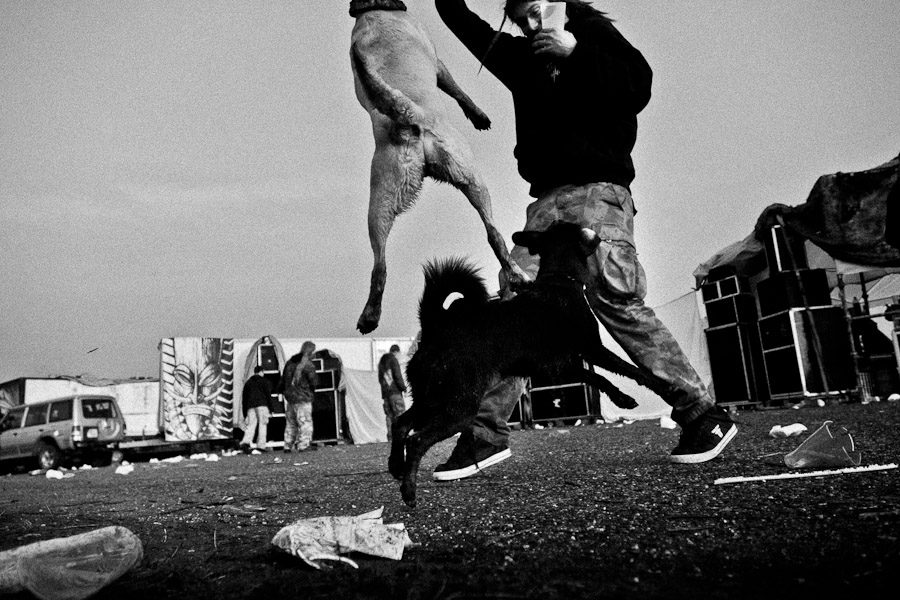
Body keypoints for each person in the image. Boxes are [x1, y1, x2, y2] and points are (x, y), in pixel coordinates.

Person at [431, 0, 737, 481]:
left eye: (537, 9)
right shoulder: (522, 58)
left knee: (615, 299)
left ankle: (701, 412)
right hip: (545, 203)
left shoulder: (594, 37)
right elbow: (462, 22)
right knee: (515, 306)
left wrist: (576, 52)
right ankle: (485, 433)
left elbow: (638, 85)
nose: (531, 22)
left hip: (598, 191)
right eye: (521, 16)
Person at [281, 341, 318, 453]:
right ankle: (303, 445)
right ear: (310, 351)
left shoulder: (290, 363)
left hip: (290, 399)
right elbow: (314, 382)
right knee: (305, 422)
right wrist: (312, 392)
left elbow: (283, 380)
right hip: (303, 398)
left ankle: (287, 445)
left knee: (291, 423)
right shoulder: (308, 365)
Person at [239, 366, 275, 453]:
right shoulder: (264, 381)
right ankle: (261, 446)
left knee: (251, 425)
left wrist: (244, 413)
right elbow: (268, 395)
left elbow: (244, 399)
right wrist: (271, 408)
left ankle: (245, 443)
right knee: (262, 425)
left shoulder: (248, 383)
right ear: (262, 371)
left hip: (250, 406)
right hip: (262, 405)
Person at [378, 344, 408, 440]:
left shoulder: (382, 362)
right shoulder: (393, 360)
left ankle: (390, 437)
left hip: (385, 394)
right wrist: (403, 388)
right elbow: (397, 375)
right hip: (395, 392)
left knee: (389, 415)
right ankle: (400, 436)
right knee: (400, 414)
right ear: (396, 352)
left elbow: (380, 379)